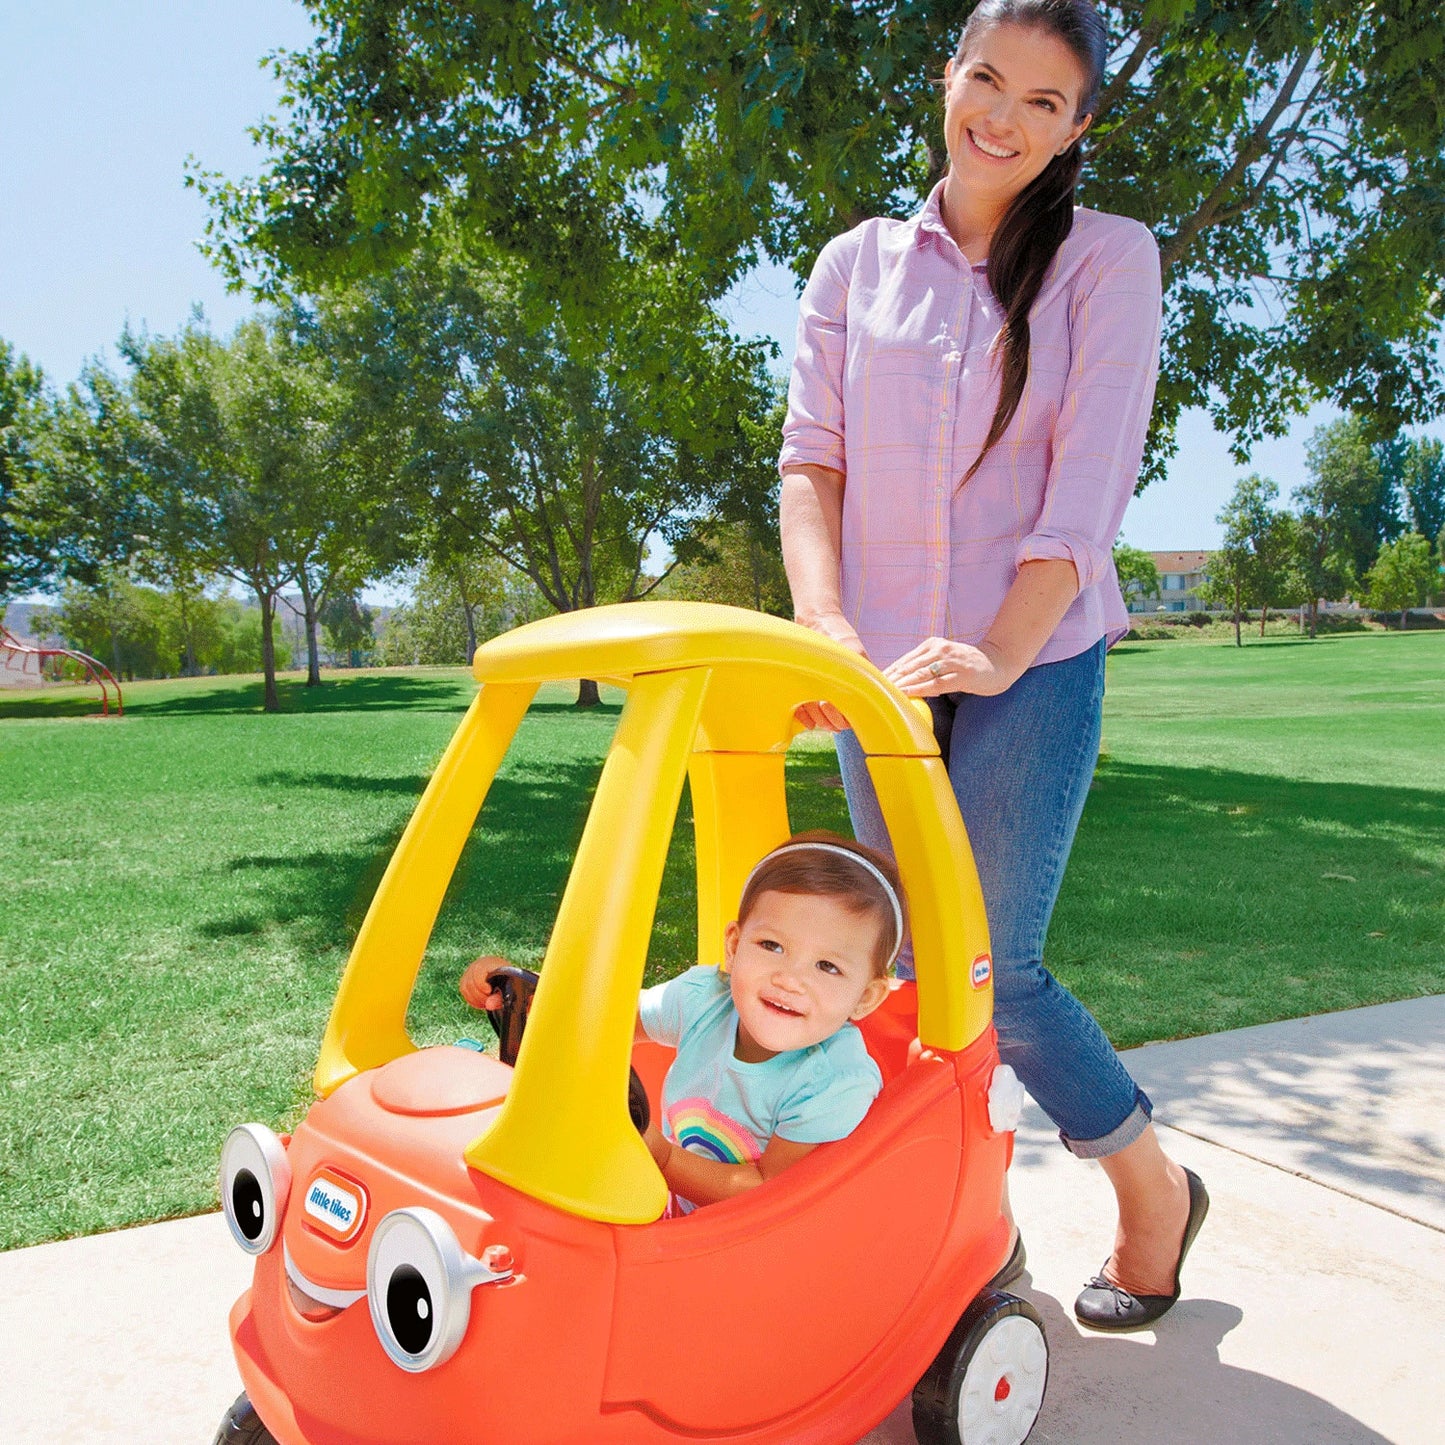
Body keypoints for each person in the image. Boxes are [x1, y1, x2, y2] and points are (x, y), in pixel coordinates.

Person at [778, 0, 1207, 1330]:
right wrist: (828, 631)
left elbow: (1086, 483)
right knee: (901, 972)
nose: (1001, 117)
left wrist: (1005, 645)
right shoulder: (856, 264)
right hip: (881, 681)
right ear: (945, 77)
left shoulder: (1105, 259)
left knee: (995, 971)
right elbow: (812, 463)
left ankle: (1153, 1198)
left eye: (1041, 101)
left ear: (1079, 126)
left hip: (1036, 654)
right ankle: (965, 1229)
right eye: (984, 80)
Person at [462, 831, 903, 1214]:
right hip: (675, 1208)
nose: (789, 979)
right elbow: (602, 1024)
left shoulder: (834, 1081)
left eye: (827, 967)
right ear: (734, 947)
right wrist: (528, 996)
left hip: (761, 1251)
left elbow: (769, 1193)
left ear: (865, 997)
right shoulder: (704, 1000)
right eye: (772, 945)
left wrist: (661, 1156)